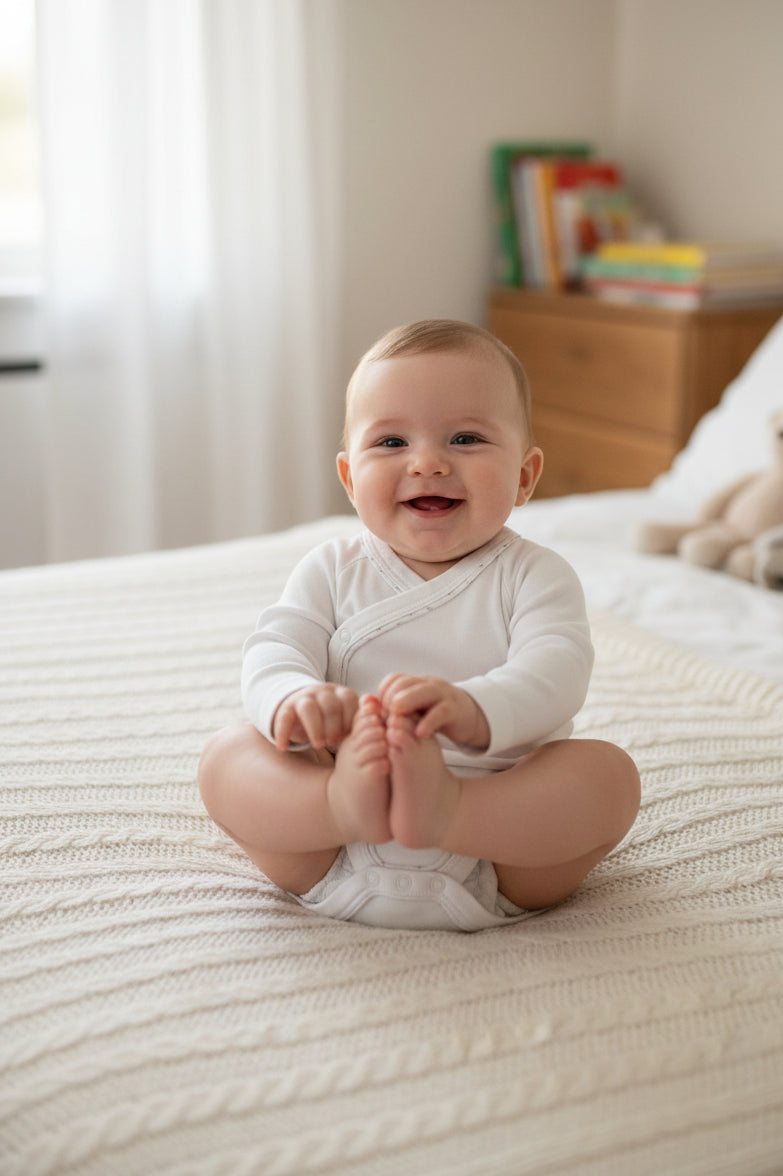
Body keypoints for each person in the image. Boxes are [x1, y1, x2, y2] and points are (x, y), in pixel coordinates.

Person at [198, 319, 640, 930]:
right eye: (391, 442)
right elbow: (275, 648)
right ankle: (334, 803)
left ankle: (446, 808)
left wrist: (475, 709)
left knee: (608, 775)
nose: (428, 462)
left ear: (524, 476)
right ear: (350, 479)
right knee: (227, 755)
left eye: (465, 438)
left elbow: (557, 670)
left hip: (498, 845)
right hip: (330, 844)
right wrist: (294, 700)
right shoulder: (330, 569)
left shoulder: (535, 575)